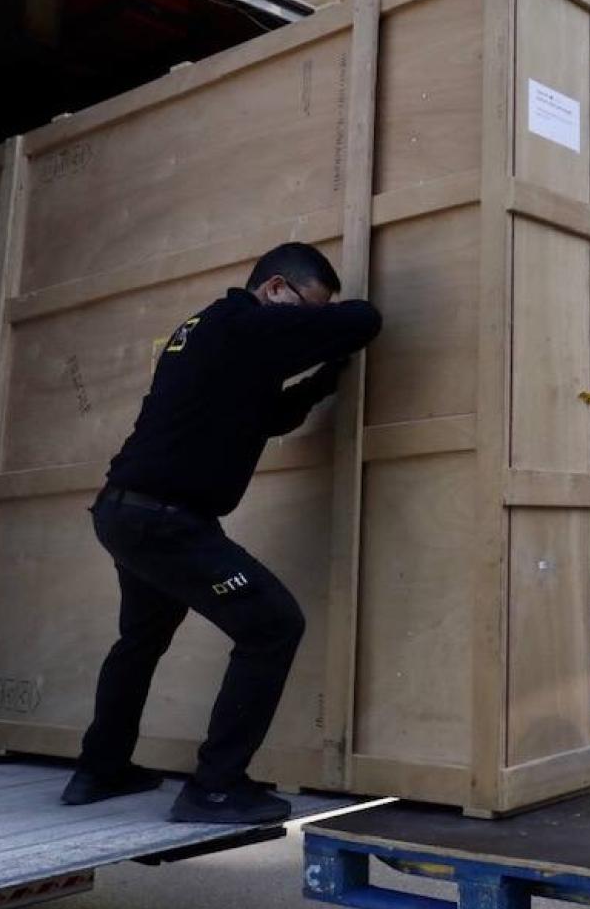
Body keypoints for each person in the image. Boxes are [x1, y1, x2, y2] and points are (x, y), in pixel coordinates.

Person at [65, 242, 381, 826]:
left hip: (129, 514)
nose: (309, 322)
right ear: (276, 288)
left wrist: (322, 382)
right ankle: (215, 786)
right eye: (307, 308)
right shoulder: (241, 322)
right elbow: (364, 320)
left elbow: (268, 416)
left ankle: (99, 769)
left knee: (140, 639)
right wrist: (330, 334)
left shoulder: (214, 332)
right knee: (273, 625)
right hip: (164, 520)